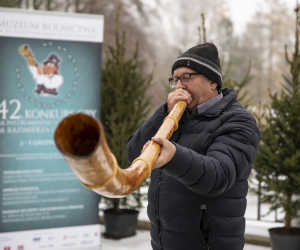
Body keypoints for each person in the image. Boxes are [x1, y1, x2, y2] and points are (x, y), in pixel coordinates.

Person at [126, 43, 261, 250]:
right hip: (164, 242)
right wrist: (164, 113)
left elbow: (218, 176)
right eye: (175, 79)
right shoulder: (174, 117)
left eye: (187, 77)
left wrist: (174, 157)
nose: (179, 85)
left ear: (213, 81)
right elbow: (134, 154)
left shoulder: (239, 121)